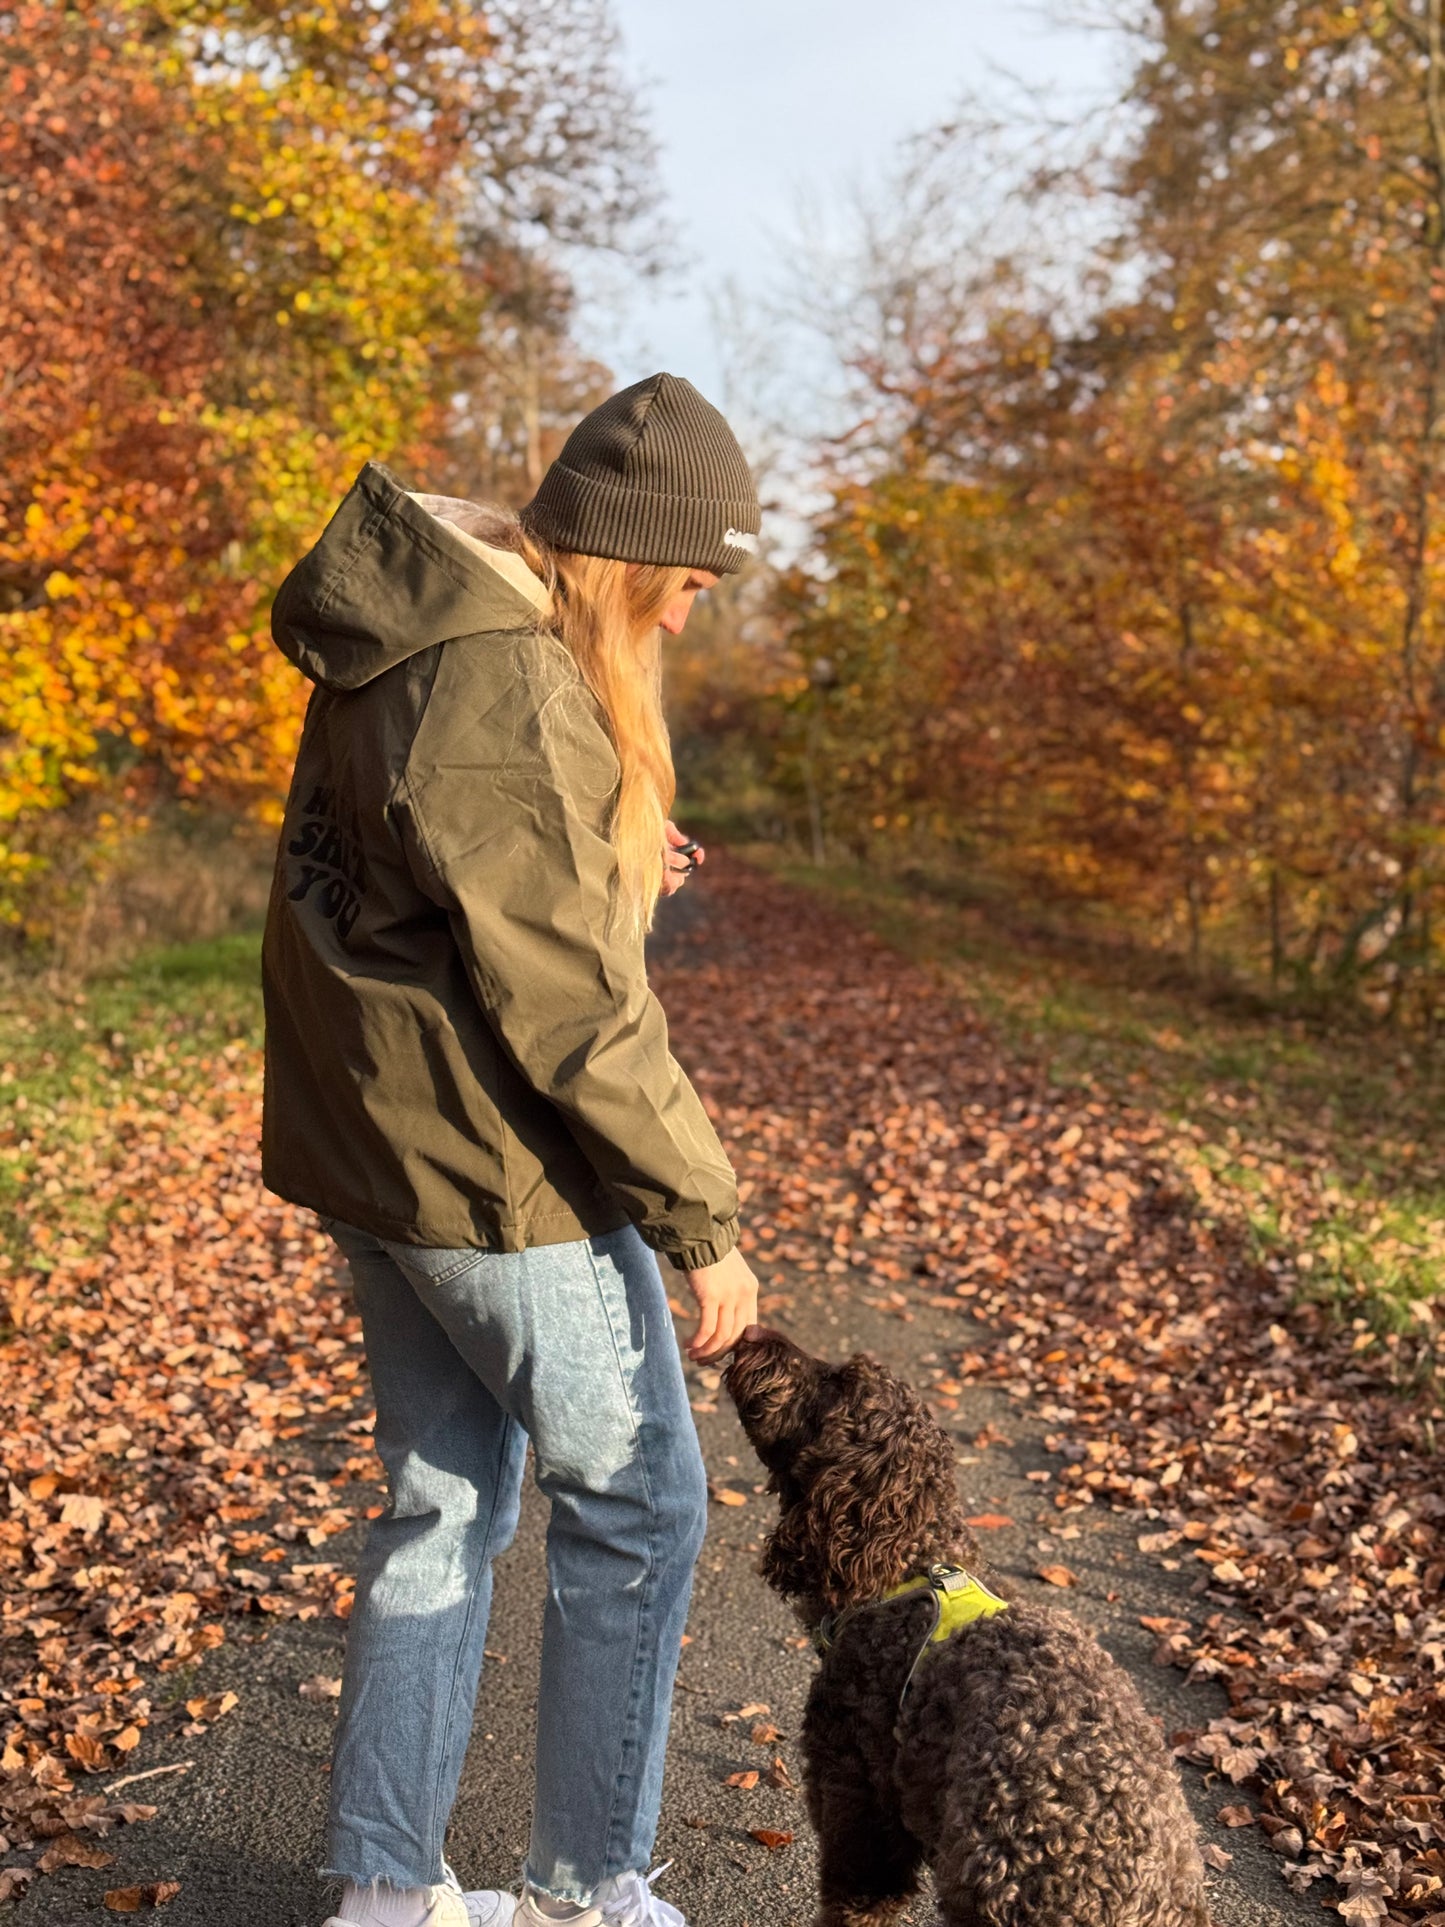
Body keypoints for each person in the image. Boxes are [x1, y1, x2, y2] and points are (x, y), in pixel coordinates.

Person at [259, 374, 763, 1927]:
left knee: (444, 1509)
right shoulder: (503, 682)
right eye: (686, 586)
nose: (686, 620)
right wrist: (701, 1216)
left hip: (383, 1153)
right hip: (490, 1176)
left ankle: (386, 1895)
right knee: (639, 1509)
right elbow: (571, 1005)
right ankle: (583, 1888)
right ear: (627, 560)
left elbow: (426, 890)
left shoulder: (413, 635)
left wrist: (603, 843)